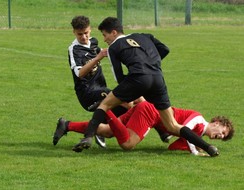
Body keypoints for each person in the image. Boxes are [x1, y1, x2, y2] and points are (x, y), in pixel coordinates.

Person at [72, 16, 219, 157]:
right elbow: (165, 49)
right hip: (157, 79)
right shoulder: (144, 35)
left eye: (105, 35)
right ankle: (208, 147)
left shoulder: (113, 47)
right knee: (173, 126)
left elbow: (119, 77)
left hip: (138, 78)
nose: (105, 39)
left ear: (114, 32)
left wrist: (131, 85)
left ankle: (88, 138)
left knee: (104, 105)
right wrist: (152, 64)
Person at [54, 100, 234, 156]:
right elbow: (184, 129)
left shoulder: (199, 131)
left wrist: (194, 146)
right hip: (149, 112)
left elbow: (173, 146)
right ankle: (106, 108)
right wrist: (196, 149)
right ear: (217, 123)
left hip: (148, 111)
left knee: (108, 131)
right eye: (223, 133)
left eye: (223, 137)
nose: (220, 136)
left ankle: (67, 125)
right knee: (127, 144)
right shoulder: (199, 120)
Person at [57, 15, 127, 148]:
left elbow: (105, 52)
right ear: (74, 32)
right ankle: (99, 127)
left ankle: (97, 125)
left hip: (100, 88)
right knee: (126, 102)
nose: (84, 37)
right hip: (87, 93)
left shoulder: (93, 42)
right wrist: (98, 57)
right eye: (80, 34)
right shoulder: (74, 49)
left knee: (125, 106)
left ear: (90, 30)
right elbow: (80, 73)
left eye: (86, 33)